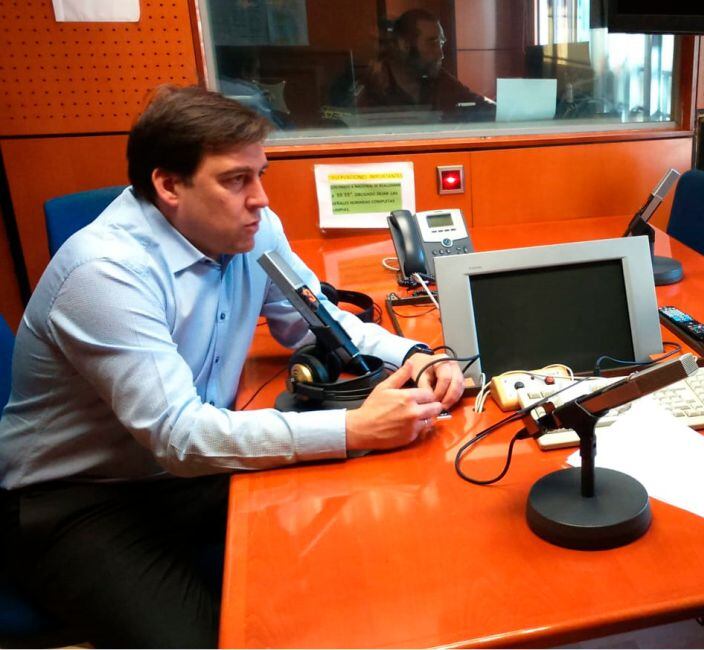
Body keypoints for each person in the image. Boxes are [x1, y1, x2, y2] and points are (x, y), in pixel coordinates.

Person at [0, 85, 464, 648]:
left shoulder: (250, 231)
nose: (261, 199)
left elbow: (316, 324)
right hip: (76, 500)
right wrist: (354, 427)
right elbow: (179, 436)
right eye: (236, 180)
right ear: (168, 185)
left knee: (355, 518)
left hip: (178, 472)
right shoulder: (105, 272)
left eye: (260, 174)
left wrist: (419, 356)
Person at [350, 8, 493, 116]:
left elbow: (483, 107)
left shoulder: (441, 80)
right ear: (404, 44)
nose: (440, 54)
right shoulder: (372, 84)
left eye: (441, 44)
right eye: (432, 43)